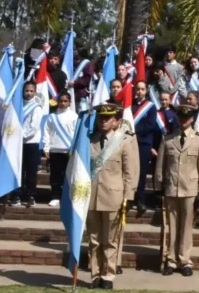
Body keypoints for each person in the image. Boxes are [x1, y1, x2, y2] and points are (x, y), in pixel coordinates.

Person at [86, 103, 139, 290]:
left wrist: (129, 196)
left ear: (116, 121)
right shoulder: (89, 140)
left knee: (110, 240)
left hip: (113, 196)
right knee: (94, 239)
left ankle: (108, 275)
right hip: (92, 196)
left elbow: (130, 172)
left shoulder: (124, 141)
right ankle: (95, 275)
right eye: (101, 117)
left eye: (107, 118)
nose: (103, 121)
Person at [154, 104, 199, 277]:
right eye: (181, 117)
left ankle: (185, 261)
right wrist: (158, 186)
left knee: (186, 227)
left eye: (187, 117)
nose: (184, 120)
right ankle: (170, 260)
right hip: (171, 187)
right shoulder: (167, 139)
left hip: (190, 189)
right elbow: (160, 165)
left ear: (192, 118)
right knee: (172, 226)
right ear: (177, 118)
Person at [8, 82, 43, 207]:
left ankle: (30, 195)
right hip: (18, 144)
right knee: (18, 170)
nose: (28, 93)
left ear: (35, 92)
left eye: (31, 91)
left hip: (31, 143)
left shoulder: (37, 107)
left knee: (31, 171)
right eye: (26, 90)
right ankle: (17, 194)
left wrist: (19, 136)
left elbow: (33, 127)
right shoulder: (19, 105)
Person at [42, 92, 78, 207]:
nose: (63, 103)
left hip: (68, 150)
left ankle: (68, 196)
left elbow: (76, 133)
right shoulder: (52, 117)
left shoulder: (74, 116)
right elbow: (46, 132)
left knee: (69, 174)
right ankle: (55, 195)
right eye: (61, 101)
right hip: (54, 149)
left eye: (65, 101)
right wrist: (46, 147)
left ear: (69, 102)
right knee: (55, 174)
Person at [131, 81, 160, 212]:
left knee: (142, 173)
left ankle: (140, 200)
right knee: (129, 171)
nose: (140, 91)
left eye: (142, 89)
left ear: (146, 91)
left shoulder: (151, 107)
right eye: (138, 89)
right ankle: (129, 199)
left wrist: (134, 130)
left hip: (144, 143)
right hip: (130, 143)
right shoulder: (129, 105)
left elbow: (150, 125)